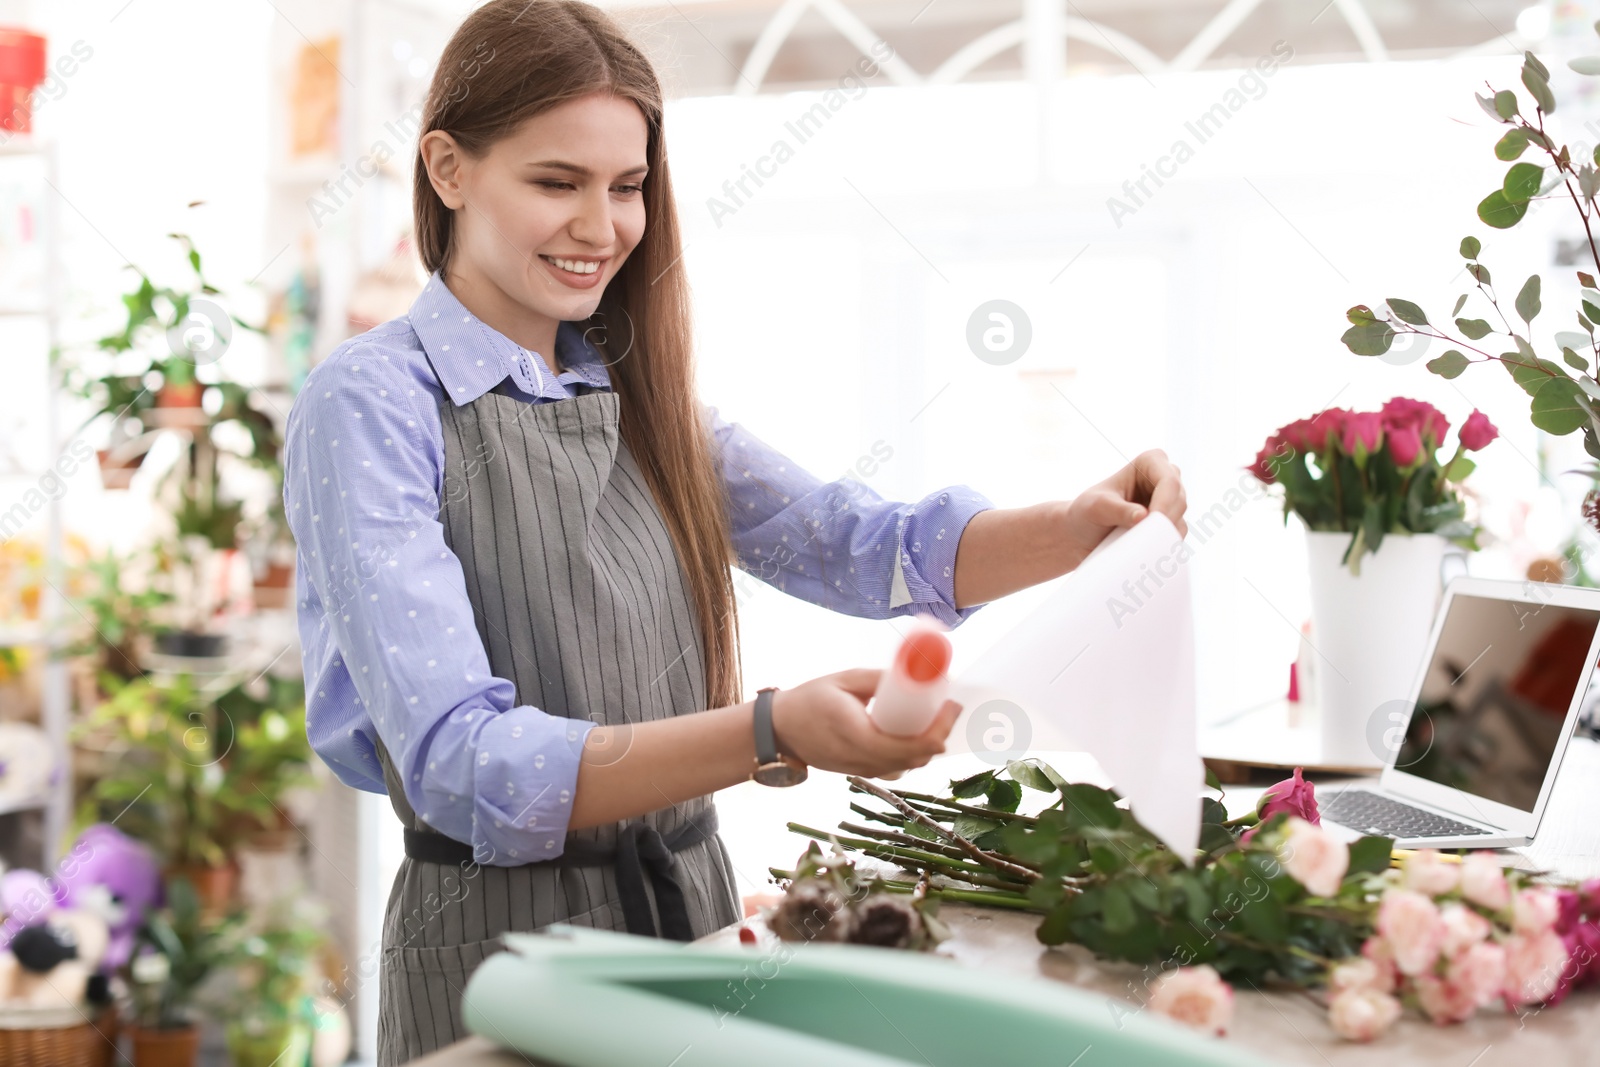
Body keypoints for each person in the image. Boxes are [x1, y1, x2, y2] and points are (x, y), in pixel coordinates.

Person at [281, 2, 1188, 1062]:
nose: (603, 226)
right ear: (447, 168)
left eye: (627, 187)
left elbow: (854, 542)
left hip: (690, 922)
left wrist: (1078, 528)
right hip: (501, 957)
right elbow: (463, 763)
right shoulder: (371, 401)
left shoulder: (636, 390)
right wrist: (768, 728)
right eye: (556, 181)